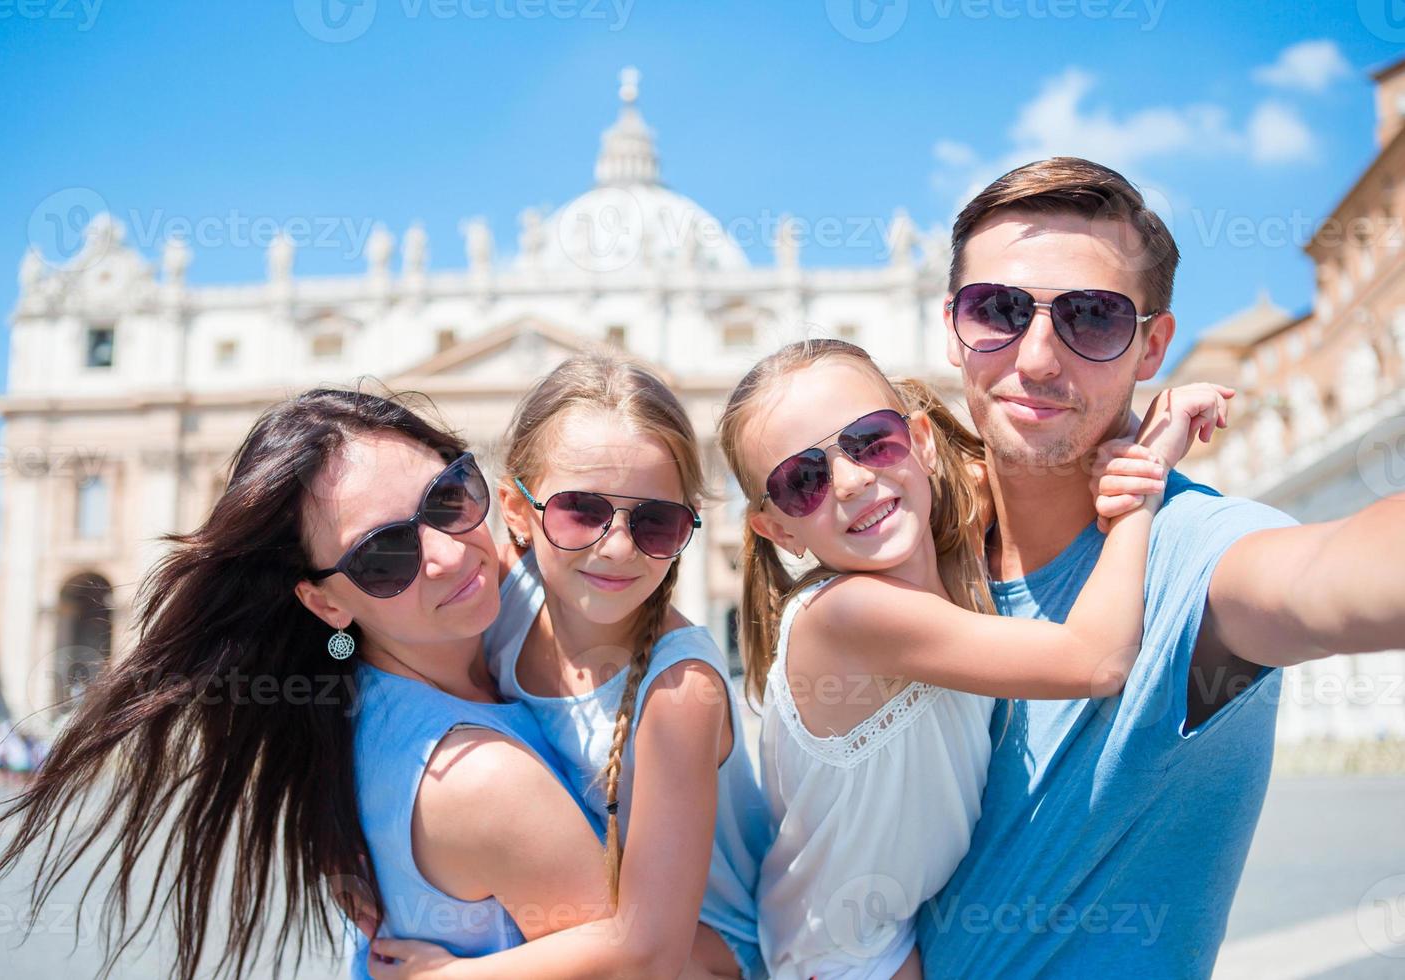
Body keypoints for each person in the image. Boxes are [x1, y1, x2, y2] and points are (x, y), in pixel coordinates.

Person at [910, 156, 1405, 977]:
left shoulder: (1197, 550)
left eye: (1093, 318)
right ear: (953, 327)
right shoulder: (901, 547)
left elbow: (1329, 576)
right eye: (996, 309)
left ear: (1152, 346)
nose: (1036, 358)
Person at [0, 388, 616, 980]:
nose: (448, 553)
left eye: (449, 498)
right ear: (326, 604)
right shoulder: (480, 778)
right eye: (384, 555)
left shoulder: (357, 706)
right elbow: (644, 963)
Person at [717, 337, 1226, 978]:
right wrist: (1141, 486)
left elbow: (1037, 464)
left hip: (881, 932)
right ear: (780, 530)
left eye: (872, 441)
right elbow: (1096, 661)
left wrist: (1127, 427)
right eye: (801, 482)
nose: (850, 480)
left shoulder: (941, 550)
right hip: (844, 958)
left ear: (922, 443)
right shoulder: (846, 616)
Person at [367, 352, 771, 979]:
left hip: (710, 953)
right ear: (519, 512)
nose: (616, 546)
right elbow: (369, 631)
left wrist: (451, 976)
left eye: (656, 522)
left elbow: (652, 952)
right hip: (598, 924)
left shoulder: (680, 692)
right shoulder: (504, 591)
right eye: (581, 511)